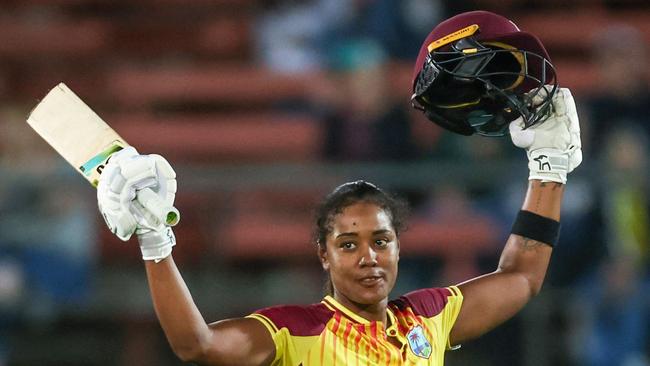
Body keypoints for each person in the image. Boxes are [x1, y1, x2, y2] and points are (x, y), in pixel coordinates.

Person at [95, 11, 582, 365]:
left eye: (381, 240)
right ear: (323, 256)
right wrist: (155, 241)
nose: (369, 257)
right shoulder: (295, 330)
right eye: (348, 244)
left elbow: (521, 278)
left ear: (397, 247)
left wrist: (549, 167)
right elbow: (196, 345)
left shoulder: (427, 318)